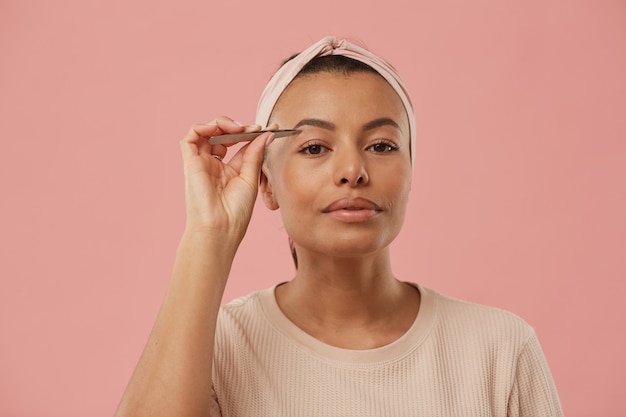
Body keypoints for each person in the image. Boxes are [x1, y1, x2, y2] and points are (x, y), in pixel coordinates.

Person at [115, 36, 563, 417]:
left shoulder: (501, 349)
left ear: (411, 172)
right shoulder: (212, 349)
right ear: (266, 184)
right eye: (313, 147)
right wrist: (208, 235)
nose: (352, 170)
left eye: (382, 145)